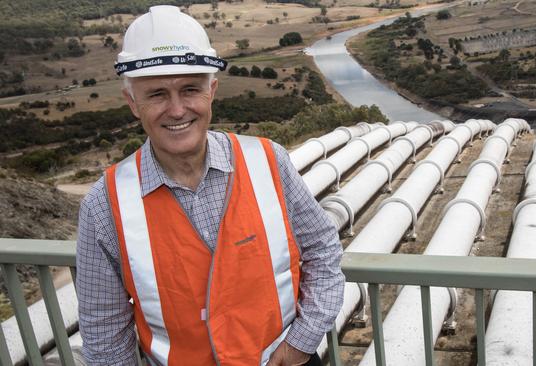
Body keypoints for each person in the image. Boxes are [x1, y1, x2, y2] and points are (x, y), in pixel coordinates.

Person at [76, 5, 344, 366]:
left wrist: (301, 343)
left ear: (212, 90)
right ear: (132, 103)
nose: (176, 109)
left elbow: (323, 250)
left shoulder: (268, 161)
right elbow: (104, 332)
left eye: (190, 89)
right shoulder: (105, 204)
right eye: (156, 94)